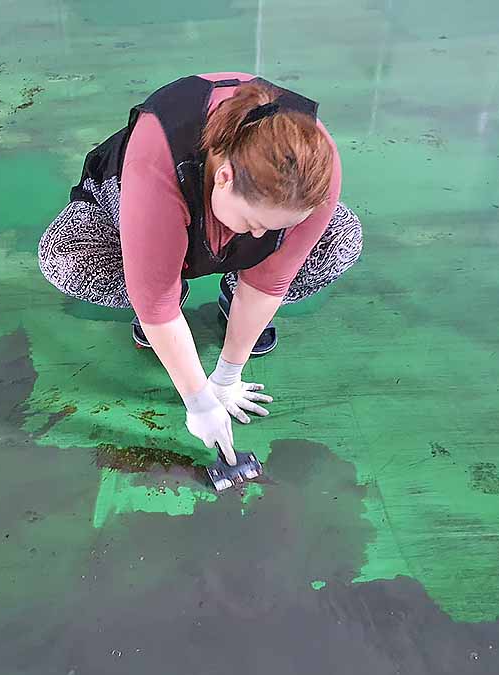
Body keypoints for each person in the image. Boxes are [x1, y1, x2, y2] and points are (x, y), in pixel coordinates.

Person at [38, 72, 362, 463]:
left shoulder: (316, 174)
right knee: (67, 259)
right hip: (144, 200)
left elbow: (271, 281)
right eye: (253, 223)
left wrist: (227, 377)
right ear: (224, 178)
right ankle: (172, 281)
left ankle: (231, 290)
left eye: (275, 226)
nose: (260, 235)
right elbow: (156, 305)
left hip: (234, 210)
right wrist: (199, 401)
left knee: (339, 239)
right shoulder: (157, 160)